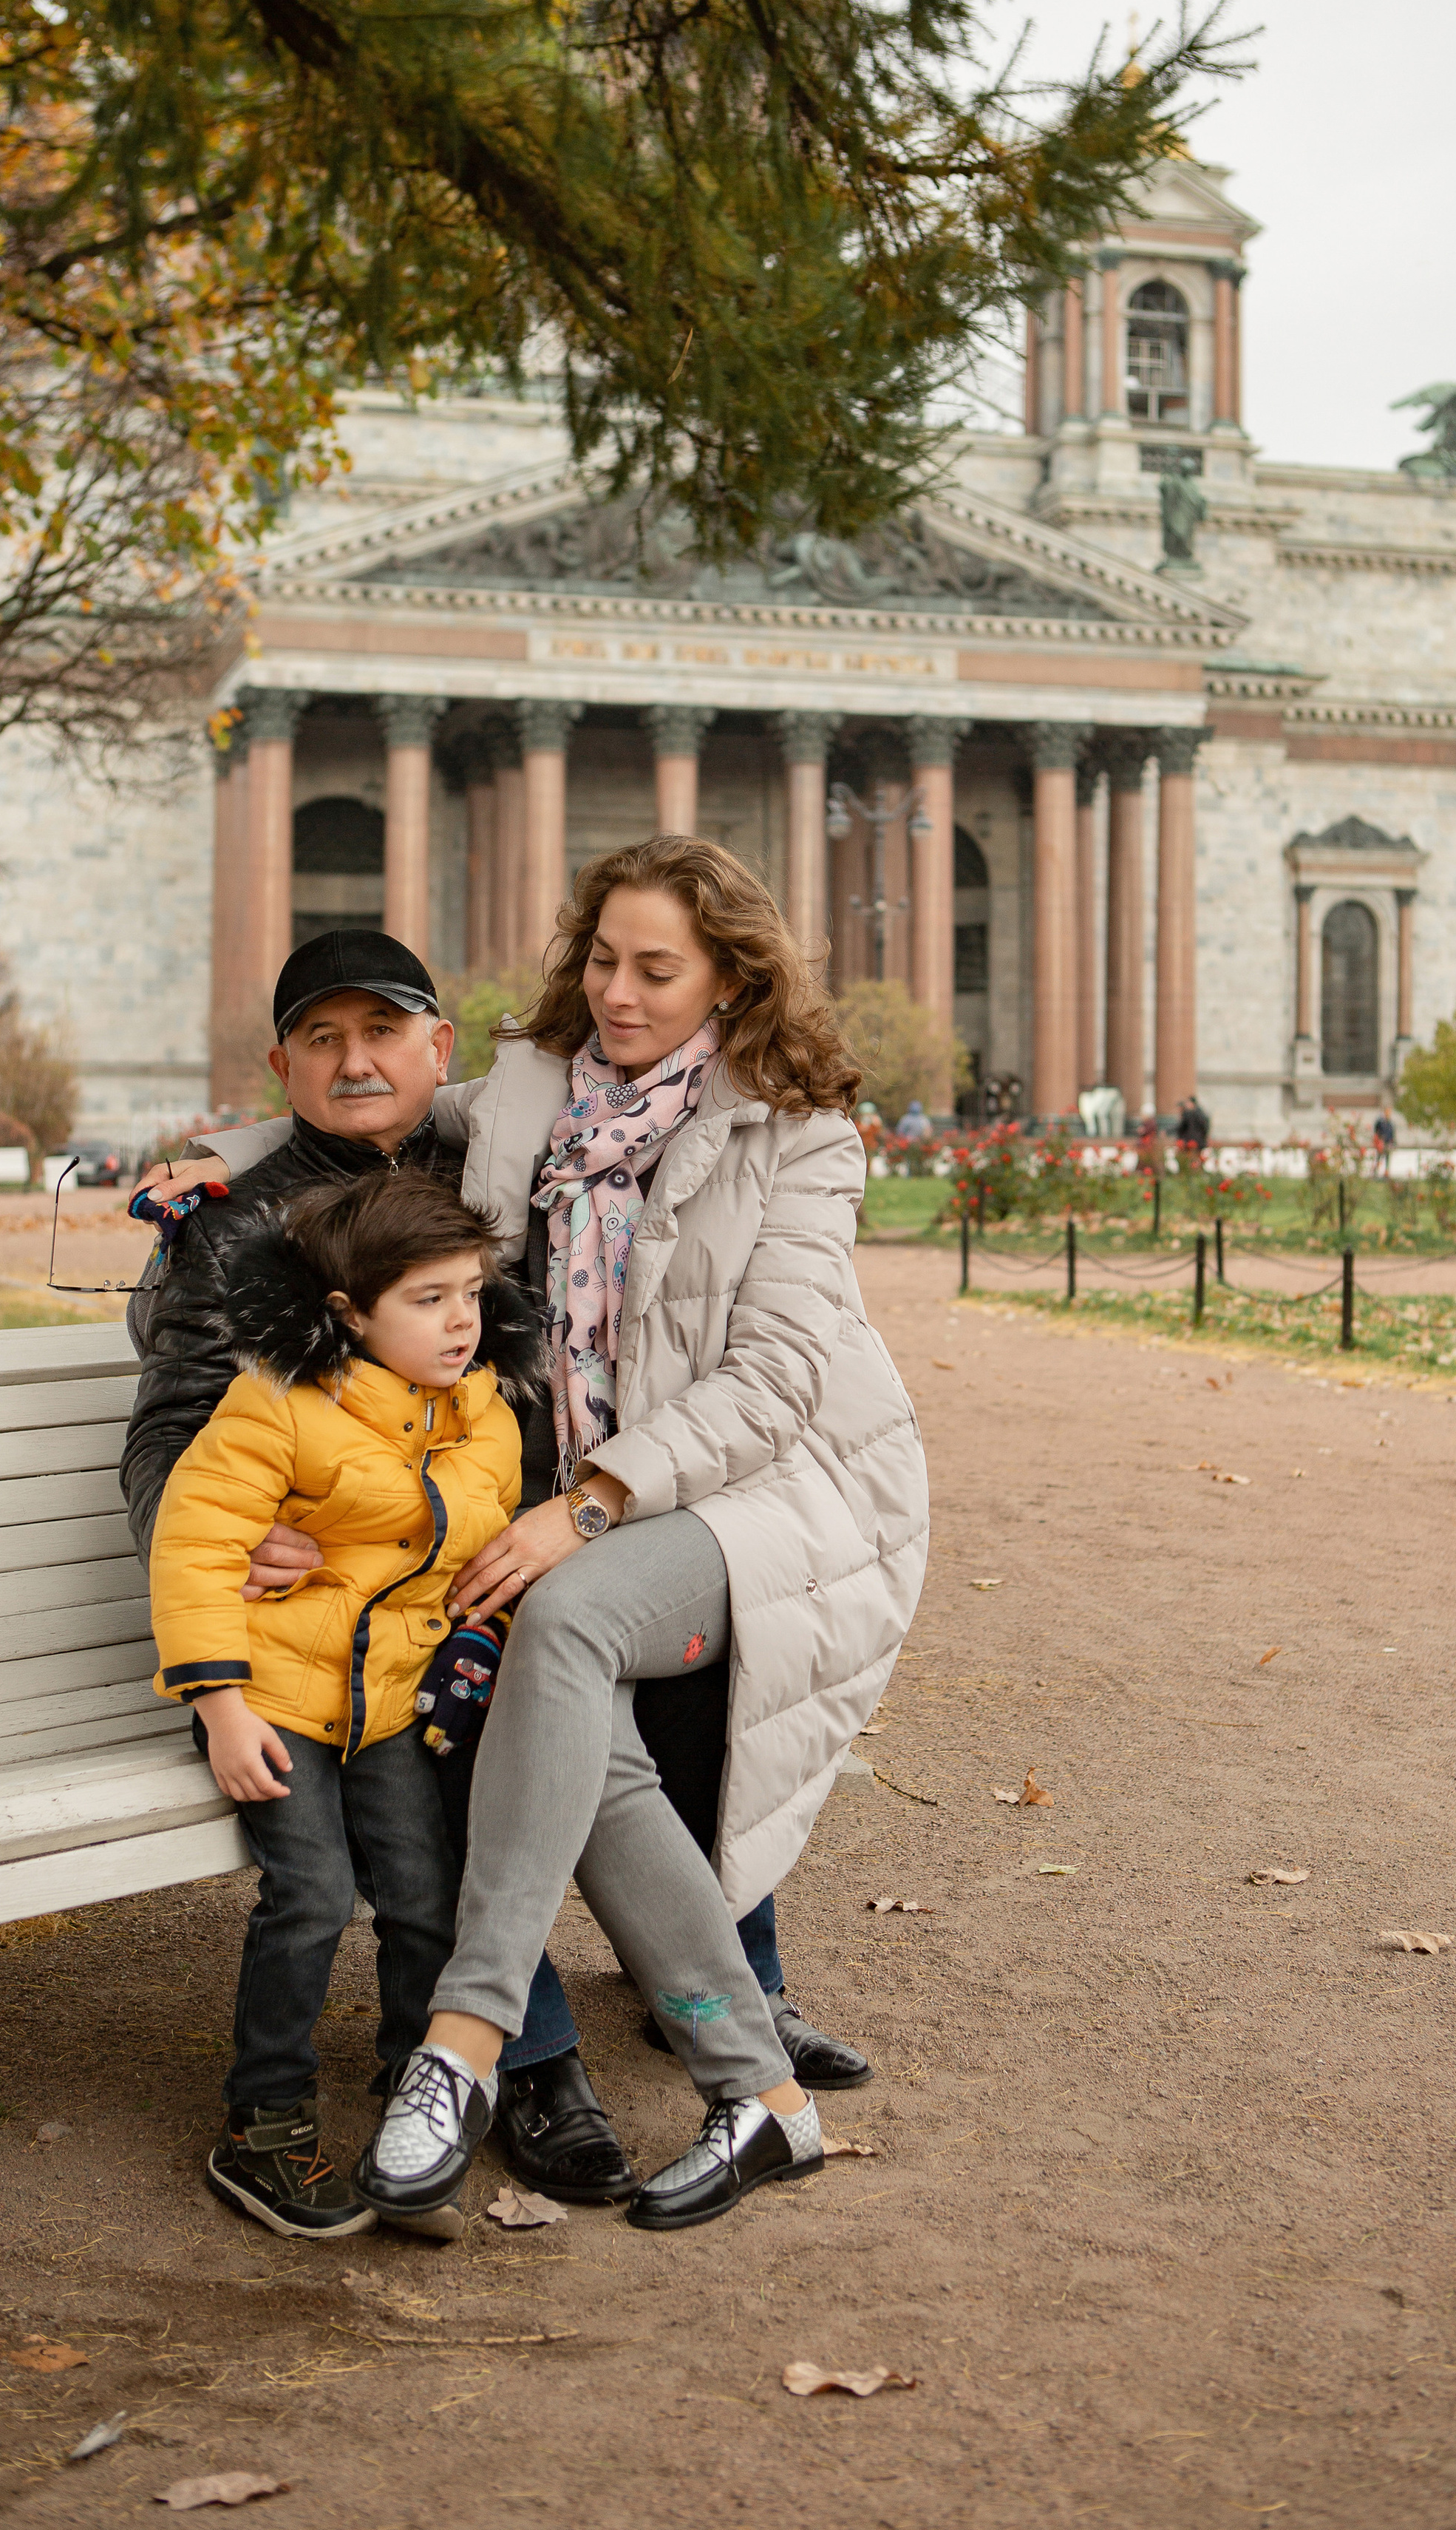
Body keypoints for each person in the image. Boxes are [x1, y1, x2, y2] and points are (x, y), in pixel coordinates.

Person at [135, 925, 872, 2203]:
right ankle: (533, 2059)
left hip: (548, 1516)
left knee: (674, 1661)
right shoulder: (237, 1223)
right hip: (361, 1605)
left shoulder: (502, 1150)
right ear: (283, 1063)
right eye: (323, 1040)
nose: (357, 1063)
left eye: (384, 1033)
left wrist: (575, 1514)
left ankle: (724, 1988)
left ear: (438, 1047)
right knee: (520, 1688)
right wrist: (234, 1538)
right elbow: (175, 1431)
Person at [350, 835, 930, 2231]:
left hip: (774, 1496)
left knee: (561, 1618)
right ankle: (758, 2093)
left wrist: (590, 1503)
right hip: (593, 1504)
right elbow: (384, 1110)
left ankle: (462, 2044)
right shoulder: (536, 1093)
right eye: (603, 959)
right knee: (577, 1694)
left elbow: (775, 1387)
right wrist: (216, 1155)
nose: (618, 993)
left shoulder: (799, 1133)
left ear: (731, 977)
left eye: (656, 970)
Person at [149, 1169, 542, 2239]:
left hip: (397, 1701)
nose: (461, 1321)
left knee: (424, 1895)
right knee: (313, 1895)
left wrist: (479, 1638)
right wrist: (222, 1708)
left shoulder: (483, 1417)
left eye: (471, 1293)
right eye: (428, 1299)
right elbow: (195, 1549)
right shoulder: (279, 1404)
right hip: (272, 1697)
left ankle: (418, 2109)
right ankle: (263, 2124)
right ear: (351, 1313)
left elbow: (479, 1557)